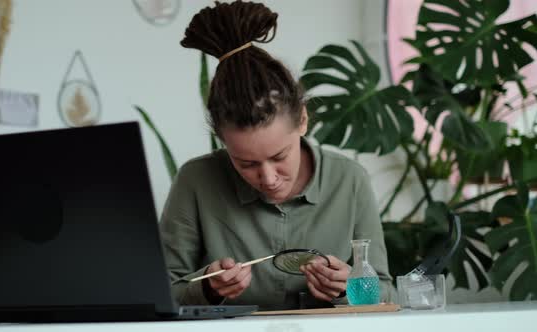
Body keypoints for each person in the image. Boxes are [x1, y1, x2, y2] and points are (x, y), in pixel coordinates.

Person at [159, 0, 394, 311]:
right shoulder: (196, 181)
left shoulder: (350, 180)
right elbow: (160, 292)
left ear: (303, 121)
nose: (268, 178)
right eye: (246, 163)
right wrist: (209, 287)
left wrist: (348, 286)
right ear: (221, 141)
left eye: (280, 155)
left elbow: (387, 292)